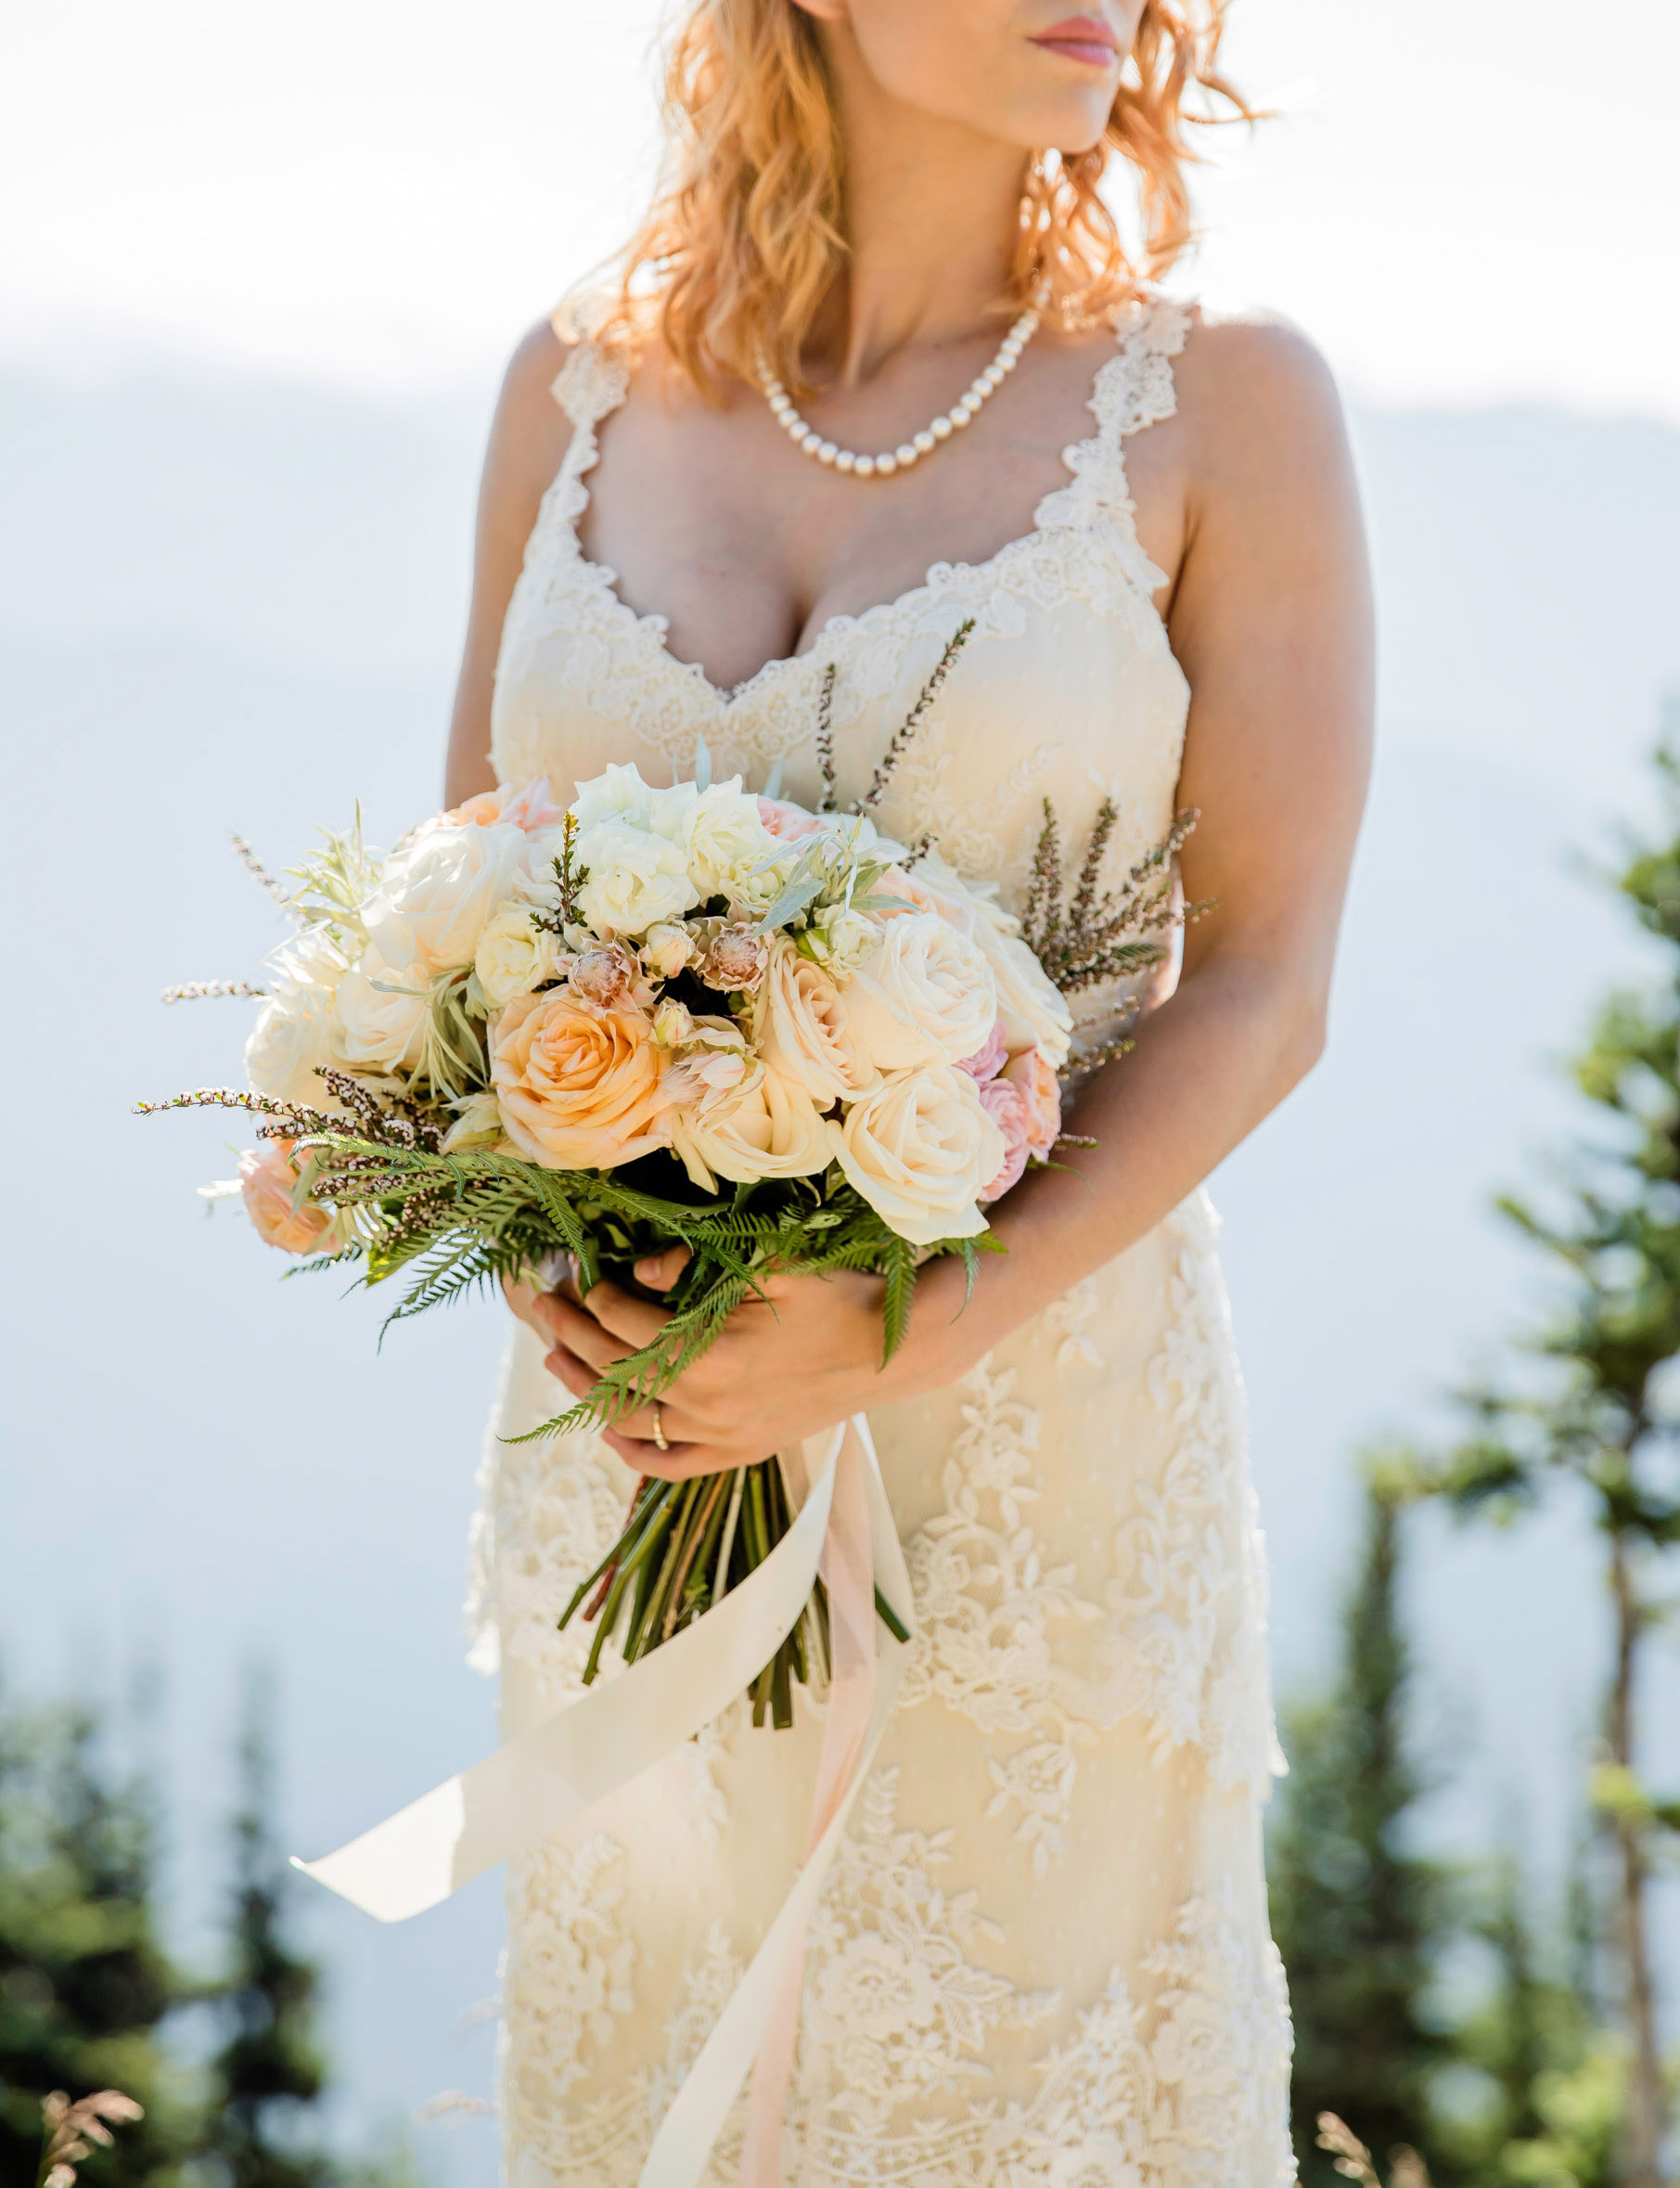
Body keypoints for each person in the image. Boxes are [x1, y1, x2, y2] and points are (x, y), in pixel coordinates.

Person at [444, 1, 1372, 2179]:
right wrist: (536, 1243)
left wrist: (900, 1324)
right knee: (648, 2069)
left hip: (1040, 1438)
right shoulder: (569, 387)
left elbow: (1259, 986)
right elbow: (475, 907)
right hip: (635, 1444)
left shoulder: (1224, 403)